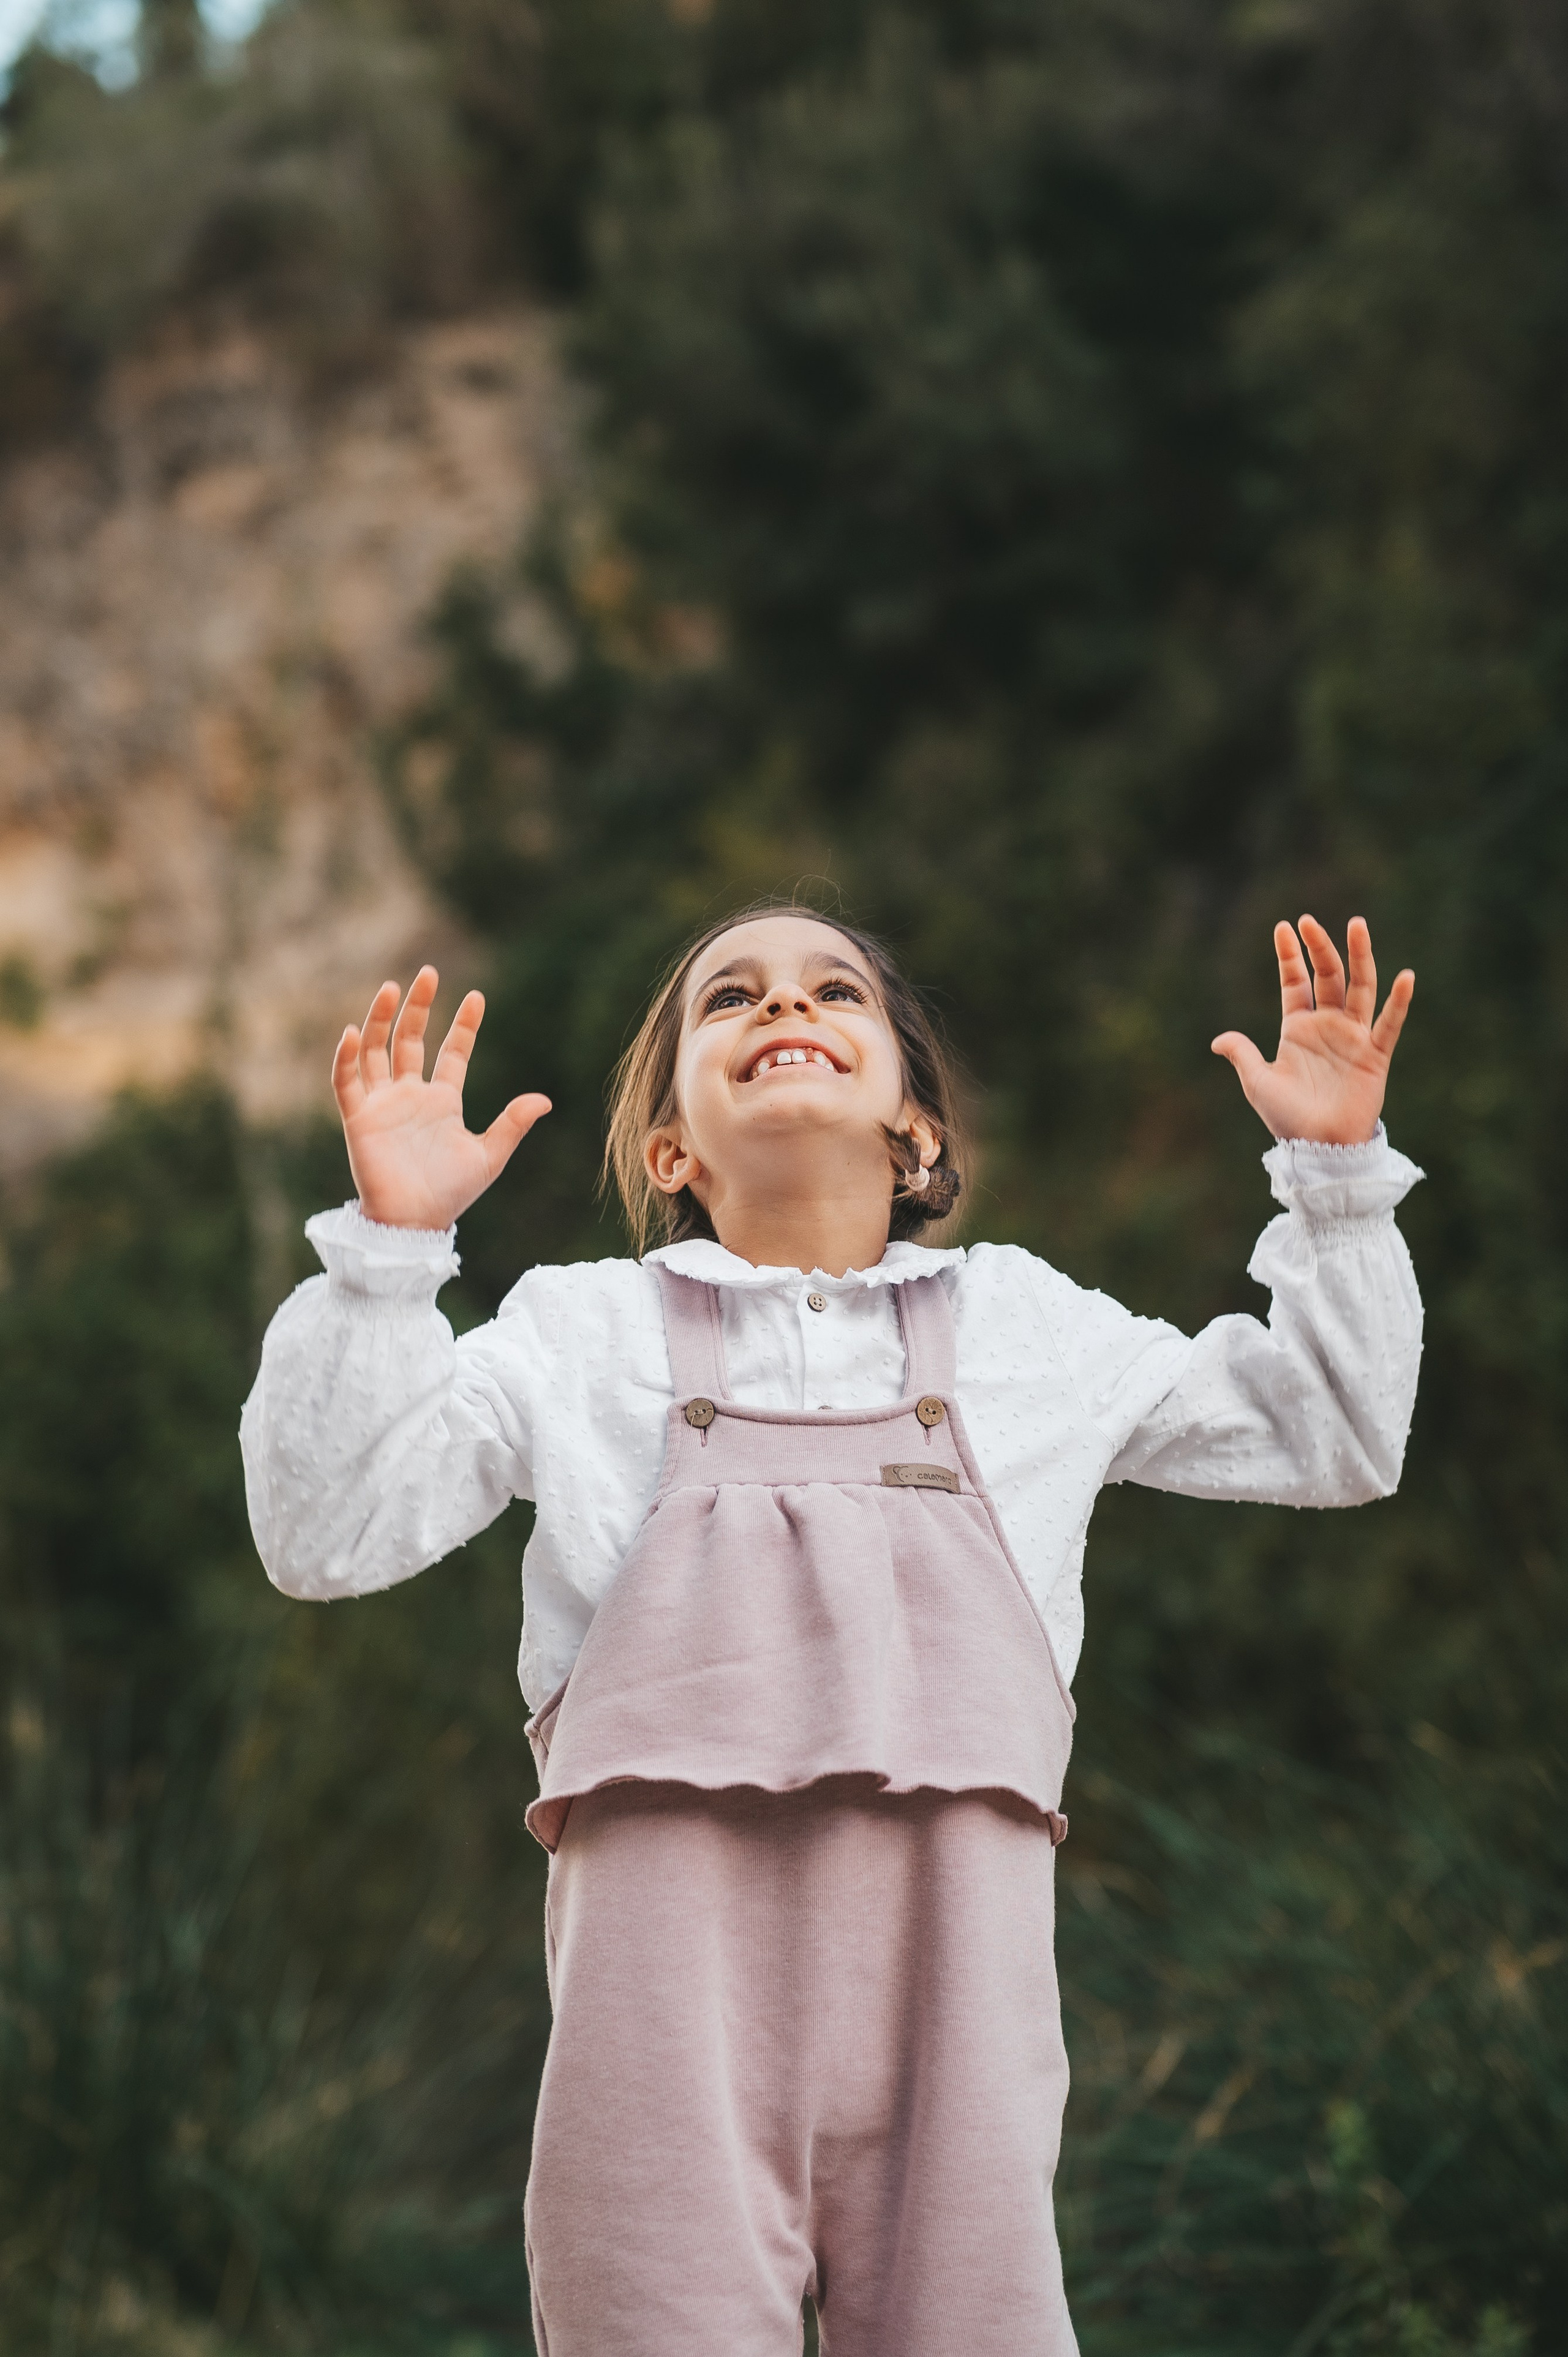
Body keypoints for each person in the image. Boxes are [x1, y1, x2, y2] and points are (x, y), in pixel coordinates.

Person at [241, 900, 1421, 2356]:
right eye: (725, 997)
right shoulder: (580, 1333)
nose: (779, 1004)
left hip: (960, 2006)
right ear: (669, 1146)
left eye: (832, 990)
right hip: (658, 2018)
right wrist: (389, 1246)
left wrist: (1337, 1180)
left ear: (916, 1124)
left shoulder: (1022, 1327)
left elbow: (1336, 1433)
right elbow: (324, 1529)